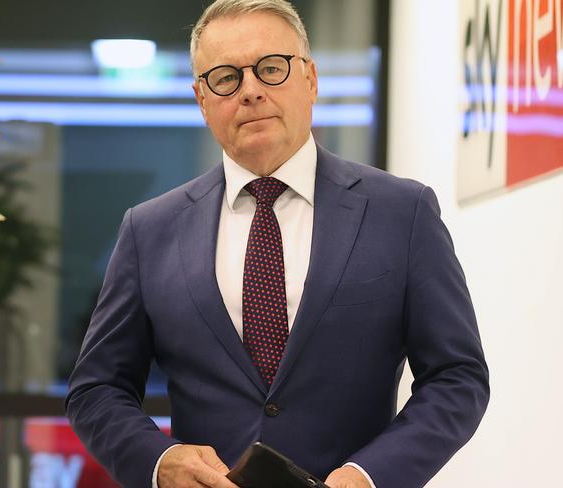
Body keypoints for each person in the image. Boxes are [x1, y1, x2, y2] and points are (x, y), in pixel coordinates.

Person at [65, 1, 490, 487]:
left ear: (310, 79)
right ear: (202, 100)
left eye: (270, 68)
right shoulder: (150, 229)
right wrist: (161, 463)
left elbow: (458, 378)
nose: (250, 91)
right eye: (225, 78)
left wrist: (369, 475)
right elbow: (96, 388)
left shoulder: (402, 212)